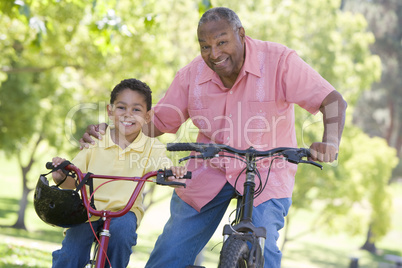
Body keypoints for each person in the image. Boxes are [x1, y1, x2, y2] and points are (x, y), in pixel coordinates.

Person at [80, 7, 347, 268]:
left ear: (241, 34)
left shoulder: (279, 61)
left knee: (263, 249)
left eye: (222, 42)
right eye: (205, 46)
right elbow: (158, 121)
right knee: (170, 252)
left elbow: (332, 100)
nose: (214, 54)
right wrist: (112, 130)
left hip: (269, 168)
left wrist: (331, 142)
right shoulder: (192, 75)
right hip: (210, 166)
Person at [51, 78, 187, 268]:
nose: (128, 115)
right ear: (110, 111)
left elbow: (164, 170)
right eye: (122, 107)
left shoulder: (151, 147)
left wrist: (174, 174)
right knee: (71, 254)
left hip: (124, 212)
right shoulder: (96, 140)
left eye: (136, 110)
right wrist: (61, 177)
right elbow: (75, 181)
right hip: (87, 210)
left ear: (147, 116)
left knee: (122, 236)